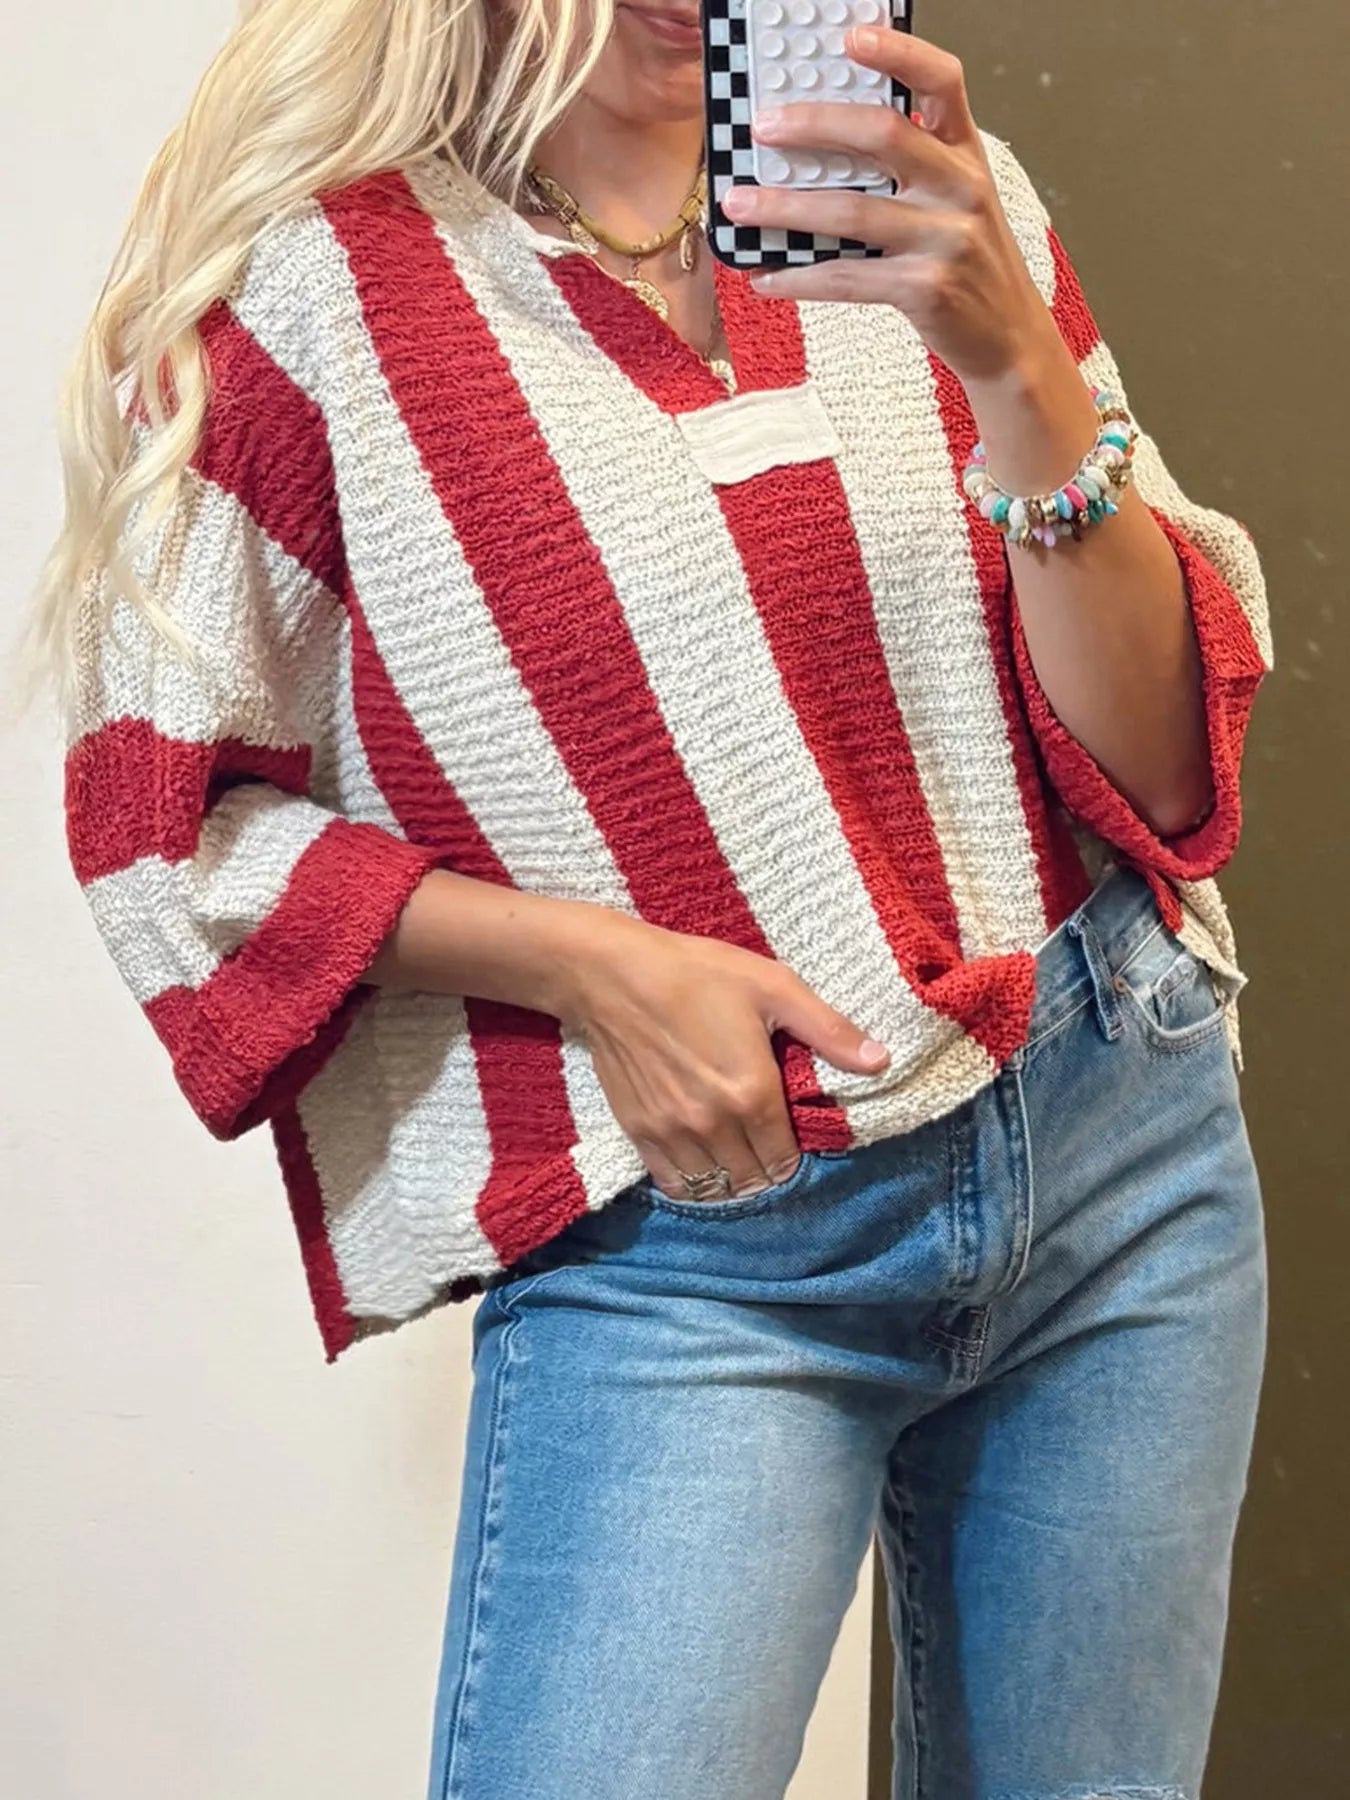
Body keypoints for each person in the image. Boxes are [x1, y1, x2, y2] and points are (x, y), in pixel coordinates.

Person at [34, 0, 1273, 1795]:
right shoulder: (316, 292)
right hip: (705, 1252)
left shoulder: (940, 202)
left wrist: (1014, 367)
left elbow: (1159, 780)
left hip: (1121, 1156)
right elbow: (162, 830)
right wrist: (587, 966)